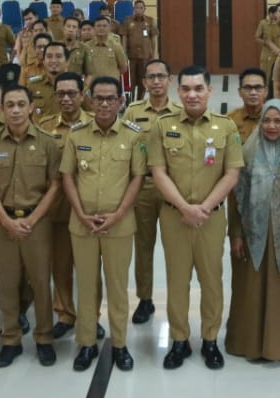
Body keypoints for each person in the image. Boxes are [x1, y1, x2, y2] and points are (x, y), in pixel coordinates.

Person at [148, 66, 244, 370]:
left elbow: (232, 173)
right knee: (177, 281)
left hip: (211, 219)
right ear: (178, 92)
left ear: (209, 91)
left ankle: (210, 339)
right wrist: (185, 208)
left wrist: (203, 208)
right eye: (186, 89)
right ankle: (179, 340)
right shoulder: (162, 126)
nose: (192, 94)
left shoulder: (225, 127)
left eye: (198, 88)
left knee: (212, 280)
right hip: (174, 217)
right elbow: (158, 172)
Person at [59, 76, 145, 372]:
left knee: (118, 287)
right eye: (99, 98)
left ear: (121, 101)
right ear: (90, 100)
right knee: (86, 286)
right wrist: (81, 213)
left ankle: (119, 344)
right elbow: (67, 176)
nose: (105, 104)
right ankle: (86, 343)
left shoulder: (133, 136)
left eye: (111, 99)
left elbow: (137, 178)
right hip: (82, 224)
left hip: (119, 225)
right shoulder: (76, 135)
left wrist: (118, 214)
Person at [0, 85, 63, 367]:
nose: (15, 110)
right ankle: (10, 339)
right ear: (3, 109)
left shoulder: (47, 142)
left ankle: (44, 338)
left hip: (37, 223)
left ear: (31, 108)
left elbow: (56, 185)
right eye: (10, 105)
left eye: (21, 104)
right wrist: (5, 220)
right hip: (3, 222)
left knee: (40, 282)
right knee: (8, 283)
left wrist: (32, 220)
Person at [225, 98, 280, 362]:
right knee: (251, 289)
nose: (272, 126)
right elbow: (236, 199)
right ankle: (249, 343)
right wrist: (236, 234)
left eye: (278, 121)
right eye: (267, 120)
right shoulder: (248, 152)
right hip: (253, 232)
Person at [125, 59, 182, 324]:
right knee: (144, 246)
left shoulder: (180, 112)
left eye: (161, 76)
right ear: (144, 82)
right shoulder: (133, 112)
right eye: (151, 77)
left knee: (175, 248)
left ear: (170, 80)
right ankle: (145, 299)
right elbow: (124, 148)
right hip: (143, 187)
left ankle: (177, 299)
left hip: (173, 189)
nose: (156, 81)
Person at [35, 72, 92, 342]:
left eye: (71, 93)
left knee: (89, 269)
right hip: (57, 209)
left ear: (82, 95)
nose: (66, 98)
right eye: (61, 94)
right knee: (60, 267)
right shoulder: (45, 127)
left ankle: (91, 317)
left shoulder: (95, 123)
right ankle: (66, 314)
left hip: (89, 209)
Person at [122, 0, 159, 98]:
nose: (138, 10)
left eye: (141, 8)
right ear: (134, 9)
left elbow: (153, 38)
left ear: (144, 9)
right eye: (137, 8)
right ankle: (130, 100)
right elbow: (124, 37)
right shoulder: (127, 20)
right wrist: (123, 53)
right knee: (131, 80)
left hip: (145, 56)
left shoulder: (150, 21)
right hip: (131, 56)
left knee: (143, 80)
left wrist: (154, 54)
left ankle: (140, 100)